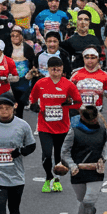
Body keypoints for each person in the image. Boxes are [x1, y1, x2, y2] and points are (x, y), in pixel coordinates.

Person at [28, 56, 82, 193]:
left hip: (62, 126)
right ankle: (48, 178)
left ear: (62, 69)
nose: (55, 71)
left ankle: (57, 179)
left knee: (59, 155)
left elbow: (78, 102)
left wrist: (68, 106)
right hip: (44, 126)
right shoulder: (41, 83)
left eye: (58, 69)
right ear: (48, 69)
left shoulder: (68, 84)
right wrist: (36, 107)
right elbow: (32, 99)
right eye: (53, 69)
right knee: (47, 154)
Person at [57, 104, 107, 214]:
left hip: (95, 171)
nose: (94, 121)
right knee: (83, 200)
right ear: (82, 117)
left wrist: (103, 159)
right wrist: (72, 166)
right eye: (91, 119)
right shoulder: (74, 131)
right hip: (78, 171)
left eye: (95, 118)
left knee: (89, 200)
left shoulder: (102, 129)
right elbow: (65, 152)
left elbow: (105, 146)